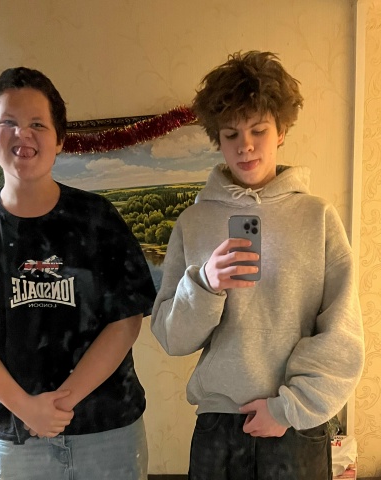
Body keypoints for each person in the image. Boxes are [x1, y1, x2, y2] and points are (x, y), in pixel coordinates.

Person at [151, 51, 364, 480]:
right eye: (231, 133)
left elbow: (343, 334)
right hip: (218, 425)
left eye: (259, 130)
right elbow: (171, 338)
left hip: (295, 423)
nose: (245, 145)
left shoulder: (318, 217)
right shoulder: (194, 222)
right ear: (217, 138)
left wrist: (287, 409)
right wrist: (205, 284)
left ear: (281, 131)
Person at [0, 67, 156, 480]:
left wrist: (61, 404)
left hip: (108, 428)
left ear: (59, 139)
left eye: (37, 124)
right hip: (13, 433)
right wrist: (26, 407)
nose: (22, 135)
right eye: (8, 123)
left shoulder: (98, 218)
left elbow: (126, 320)